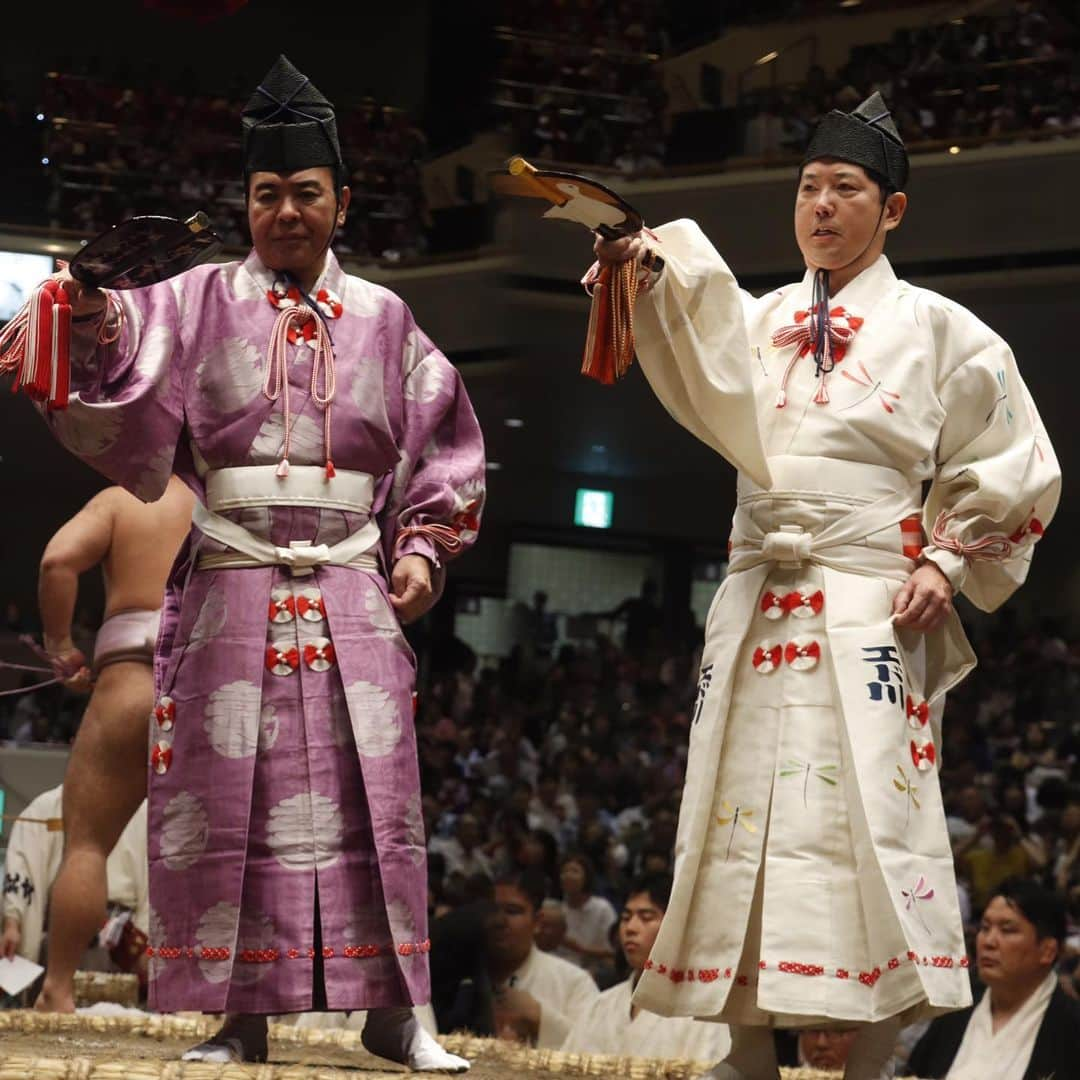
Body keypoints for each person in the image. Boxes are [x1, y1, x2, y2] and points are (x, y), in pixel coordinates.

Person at [586, 91, 1060, 1080]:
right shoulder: (759, 322)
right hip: (759, 594)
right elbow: (694, 331)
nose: (822, 206)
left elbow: (1015, 452)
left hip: (868, 599)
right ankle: (750, 1052)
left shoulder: (939, 328)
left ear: (891, 211)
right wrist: (644, 271)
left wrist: (946, 555)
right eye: (809, 187)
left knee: (866, 825)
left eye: (846, 188)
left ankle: (872, 1059)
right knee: (739, 816)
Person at [35, 55, 483, 1072]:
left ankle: (396, 1011)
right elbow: (114, 372)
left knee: (382, 802)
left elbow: (447, 447)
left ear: (342, 203)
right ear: (245, 202)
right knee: (223, 803)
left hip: (352, 584)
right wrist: (91, 308)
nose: (286, 211)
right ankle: (240, 1018)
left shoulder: (386, 319)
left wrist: (422, 550)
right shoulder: (190, 302)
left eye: (305, 194)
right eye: (267, 193)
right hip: (232, 579)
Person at [33, 477, 193, 1012]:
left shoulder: (122, 500)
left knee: (86, 845)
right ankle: (229, 1006)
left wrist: (61, 646)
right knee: (224, 851)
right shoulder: (226, 502)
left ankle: (57, 989)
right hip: (214, 684)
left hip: (129, 681)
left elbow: (57, 561)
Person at [905, 879, 1080, 1079]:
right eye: (985, 928)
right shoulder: (955, 1012)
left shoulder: (1072, 1030)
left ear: (1047, 951)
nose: (988, 941)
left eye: (1007, 930)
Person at [561, 872, 731, 1061]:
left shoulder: (702, 1011)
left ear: (676, 925)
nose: (631, 928)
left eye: (646, 917)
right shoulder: (601, 1005)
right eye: (626, 917)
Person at [2, 784, 148, 977]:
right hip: (57, 937)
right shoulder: (45, 807)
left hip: (121, 939)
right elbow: (23, 865)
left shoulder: (145, 812)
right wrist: (13, 922)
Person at [487, 870, 599, 1048]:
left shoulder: (574, 982)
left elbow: (597, 1049)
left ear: (537, 922)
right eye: (491, 911)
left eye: (512, 911)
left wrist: (538, 1016)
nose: (499, 921)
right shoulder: (460, 977)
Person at [557, 853, 616, 976]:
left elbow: (613, 951)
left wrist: (580, 948)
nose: (568, 876)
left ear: (586, 878)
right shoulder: (557, 910)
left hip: (593, 970)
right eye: (564, 871)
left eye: (574, 871)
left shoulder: (602, 908)